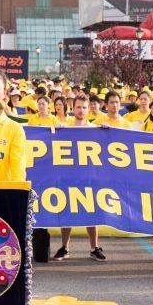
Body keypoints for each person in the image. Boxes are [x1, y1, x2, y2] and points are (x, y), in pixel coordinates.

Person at [53, 95, 106, 262]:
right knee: (66, 211)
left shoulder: (95, 129)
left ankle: (94, 248)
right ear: (72, 108)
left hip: (89, 177)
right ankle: (64, 247)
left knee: (91, 213)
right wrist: (56, 131)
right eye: (78, 107)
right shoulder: (64, 128)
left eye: (84, 107)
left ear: (88, 108)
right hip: (68, 177)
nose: (81, 110)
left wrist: (106, 131)